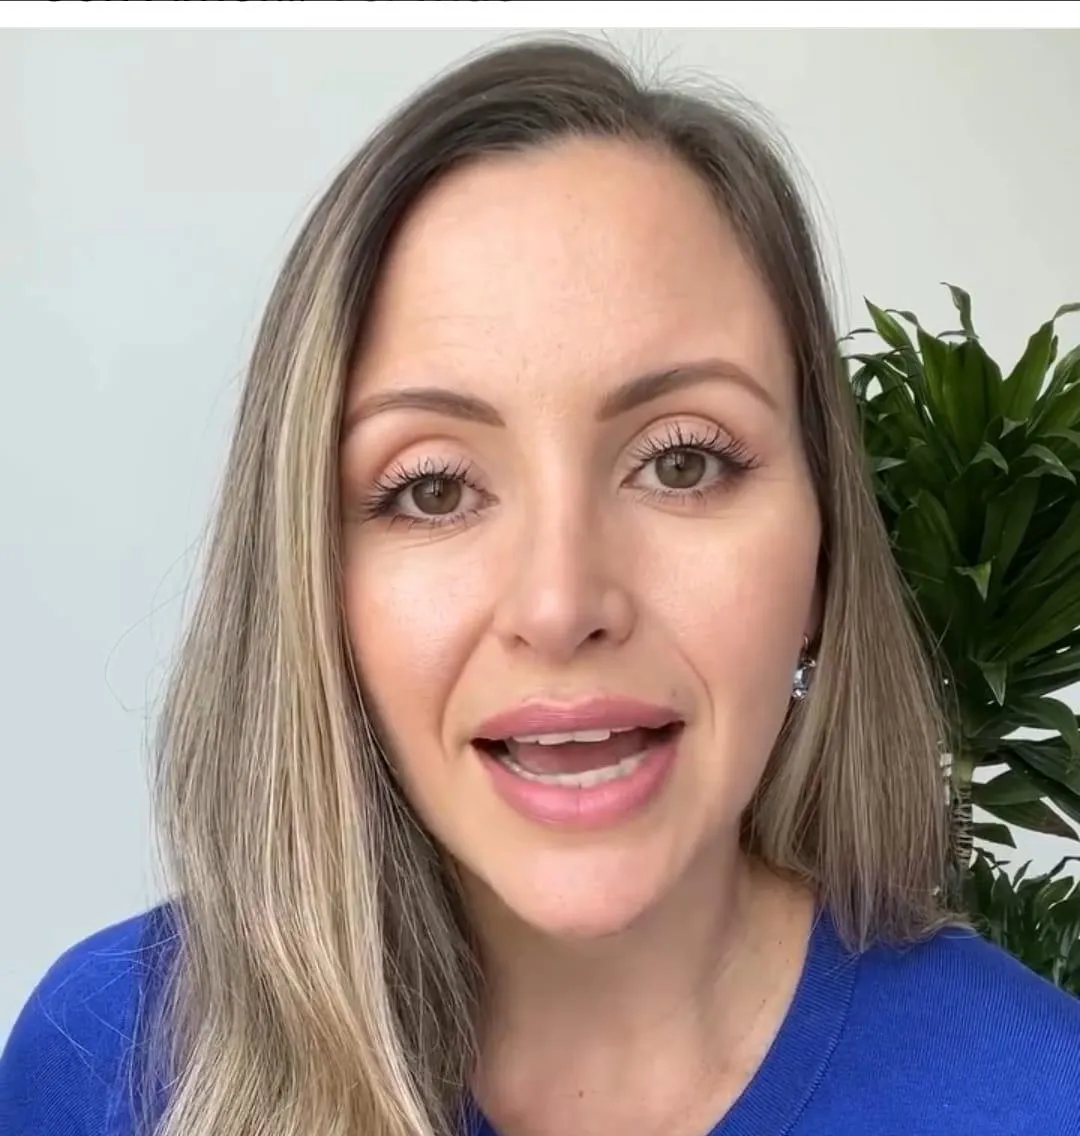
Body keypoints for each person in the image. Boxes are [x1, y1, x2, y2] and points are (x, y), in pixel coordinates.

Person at [2, 34, 1078, 1136]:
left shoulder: (1044, 1095)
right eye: (432, 489)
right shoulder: (104, 1065)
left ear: (822, 558)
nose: (561, 605)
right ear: (315, 588)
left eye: (682, 462)